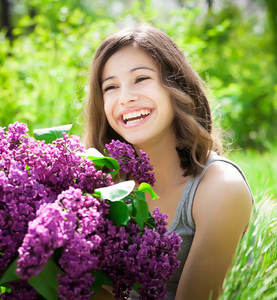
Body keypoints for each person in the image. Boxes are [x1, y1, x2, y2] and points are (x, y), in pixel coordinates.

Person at [85, 24, 253, 300]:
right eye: (111, 86)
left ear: (176, 86)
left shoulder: (221, 188)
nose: (126, 97)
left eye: (141, 79)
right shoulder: (101, 184)